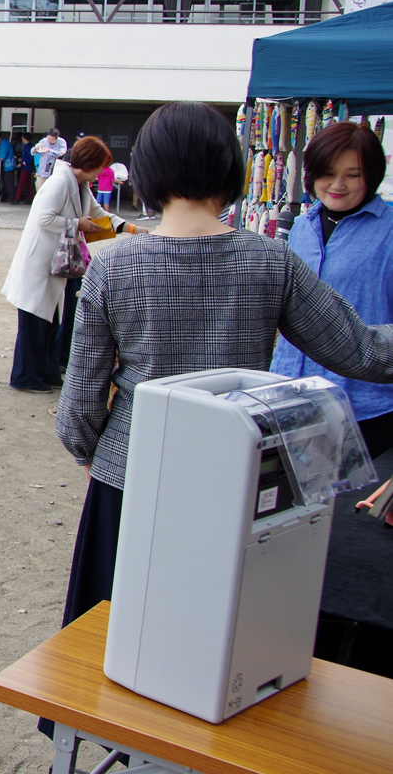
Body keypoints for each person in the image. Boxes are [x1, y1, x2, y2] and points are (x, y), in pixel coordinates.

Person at [55, 101, 393, 640]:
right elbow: (363, 352)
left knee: (114, 643)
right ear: (230, 169)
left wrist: (99, 453)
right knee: (216, 643)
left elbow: (79, 408)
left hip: (133, 472)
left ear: (147, 172)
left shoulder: (114, 266)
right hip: (239, 474)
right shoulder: (271, 259)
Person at [272, 122, 393, 461]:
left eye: (353, 175)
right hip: (291, 398)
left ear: (372, 175)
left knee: (347, 512)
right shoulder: (299, 227)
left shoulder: (389, 231)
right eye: (327, 173)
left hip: (365, 407)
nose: (337, 185)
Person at [1, 136, 144, 394]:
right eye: (101, 166)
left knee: (51, 322)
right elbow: (44, 218)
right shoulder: (58, 183)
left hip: (55, 264)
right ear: (89, 163)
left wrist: (134, 229)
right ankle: (25, 376)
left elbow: (99, 215)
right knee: (35, 322)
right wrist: (77, 224)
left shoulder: (79, 185)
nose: (102, 172)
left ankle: (46, 372)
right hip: (40, 262)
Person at [31, 128, 68, 193]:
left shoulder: (61, 142)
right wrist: (36, 148)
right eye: (48, 139)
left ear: (56, 138)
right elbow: (32, 153)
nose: (49, 141)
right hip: (41, 172)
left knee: (51, 192)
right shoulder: (43, 141)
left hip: (54, 172)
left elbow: (62, 153)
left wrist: (49, 150)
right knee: (39, 191)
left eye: (52, 140)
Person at [0, 131, 16, 203]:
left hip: (9, 166)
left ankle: (11, 198)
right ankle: (5, 196)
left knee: (8, 182)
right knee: (4, 182)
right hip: (3, 166)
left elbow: (2, 157)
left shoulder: (4, 143)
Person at [14, 133, 36, 204]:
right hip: (27, 168)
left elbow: (30, 158)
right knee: (28, 184)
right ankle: (31, 198)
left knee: (20, 183)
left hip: (26, 168)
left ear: (24, 138)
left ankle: (17, 199)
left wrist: (22, 163)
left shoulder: (27, 147)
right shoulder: (28, 146)